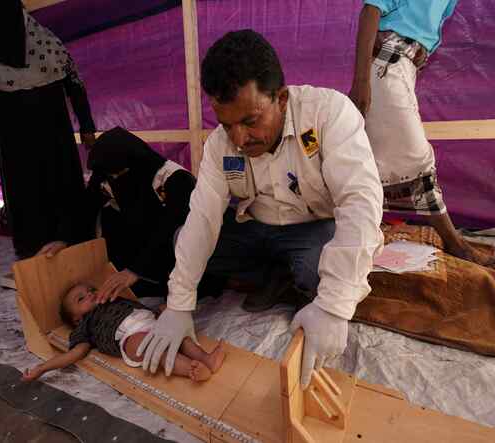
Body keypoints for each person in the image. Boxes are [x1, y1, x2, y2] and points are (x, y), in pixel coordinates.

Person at [136, 30, 384, 389]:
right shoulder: (221, 145)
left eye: (251, 121)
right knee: (182, 240)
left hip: (312, 228)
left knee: (322, 275)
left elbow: (360, 201)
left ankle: (290, 278)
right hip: (258, 230)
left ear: (281, 98)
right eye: (226, 124)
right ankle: (277, 274)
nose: (239, 138)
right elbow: (202, 219)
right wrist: (178, 304)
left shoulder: (327, 115)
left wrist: (334, 306)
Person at [349, 0, 495, 268]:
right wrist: (361, 84)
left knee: (367, 163)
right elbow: (371, 10)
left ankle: (338, 234)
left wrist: (421, 49)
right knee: (417, 159)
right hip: (387, 65)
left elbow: (421, 22)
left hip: (403, 67)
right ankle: (456, 244)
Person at [0, 0, 96, 259]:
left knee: (59, 185)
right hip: (15, 140)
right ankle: (33, 255)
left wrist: (87, 125)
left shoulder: (45, 44)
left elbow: (74, 84)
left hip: (52, 135)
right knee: (25, 192)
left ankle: (73, 245)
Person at [39, 127, 224, 300]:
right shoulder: (108, 172)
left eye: (120, 173)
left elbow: (169, 229)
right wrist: (64, 238)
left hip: (170, 250)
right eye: (111, 176)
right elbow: (86, 204)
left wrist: (136, 271)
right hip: (138, 245)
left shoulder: (174, 179)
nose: (115, 179)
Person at [22, 284, 225, 383]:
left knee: (178, 334)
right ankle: (191, 369)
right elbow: (74, 353)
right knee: (156, 349)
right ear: (77, 319)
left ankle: (206, 358)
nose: (91, 294)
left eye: (91, 289)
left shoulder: (113, 298)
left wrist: (164, 311)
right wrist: (42, 368)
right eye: (81, 298)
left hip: (152, 322)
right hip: (130, 338)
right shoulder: (86, 325)